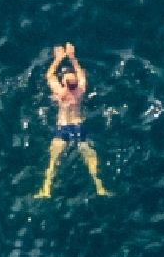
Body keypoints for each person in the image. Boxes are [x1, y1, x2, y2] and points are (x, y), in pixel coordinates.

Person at [34, 43, 110, 199]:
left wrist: (58, 59)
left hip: (62, 128)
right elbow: (81, 75)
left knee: (53, 161)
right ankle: (99, 187)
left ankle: (46, 189)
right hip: (78, 127)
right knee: (90, 159)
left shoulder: (61, 92)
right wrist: (72, 57)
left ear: (64, 84)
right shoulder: (80, 91)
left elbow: (49, 75)